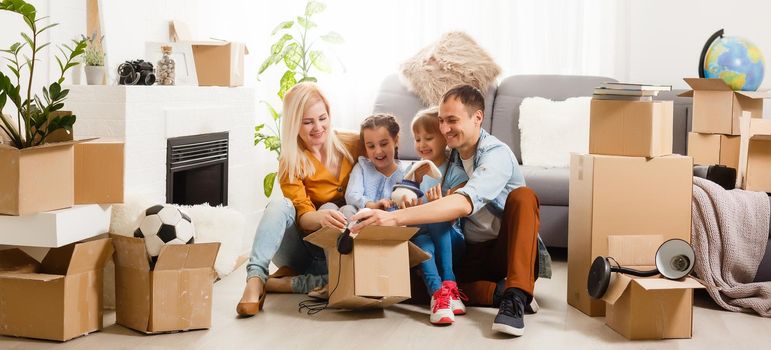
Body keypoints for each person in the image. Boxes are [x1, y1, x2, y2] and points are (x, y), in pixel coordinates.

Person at [352, 84, 540, 337]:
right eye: (441, 121)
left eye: (452, 120)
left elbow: (463, 203)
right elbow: (423, 195)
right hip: (468, 253)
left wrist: (393, 218)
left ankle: (515, 295)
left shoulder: (496, 154)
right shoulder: (449, 157)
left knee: (524, 197)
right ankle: (494, 292)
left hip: (505, 253)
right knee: (402, 285)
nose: (444, 128)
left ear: (477, 118)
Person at [236, 82, 360, 317]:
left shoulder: (353, 143)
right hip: (303, 247)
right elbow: (303, 217)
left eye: (322, 118)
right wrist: (321, 217)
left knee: (347, 216)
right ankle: (255, 279)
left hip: (340, 251)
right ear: (294, 124)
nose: (318, 127)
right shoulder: (291, 160)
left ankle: (290, 282)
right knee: (279, 205)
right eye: (307, 122)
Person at [408, 106, 469, 325]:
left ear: (444, 139)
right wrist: (408, 204)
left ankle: (450, 283)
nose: (422, 144)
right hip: (424, 238)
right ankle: (439, 296)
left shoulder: (455, 173)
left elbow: (458, 212)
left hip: (452, 241)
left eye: (428, 138)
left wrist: (439, 207)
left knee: (437, 217)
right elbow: (402, 205)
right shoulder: (413, 172)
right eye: (417, 139)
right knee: (423, 245)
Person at [344, 113, 411, 212]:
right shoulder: (362, 167)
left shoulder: (407, 172)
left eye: (383, 144)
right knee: (346, 209)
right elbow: (352, 195)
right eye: (371, 146)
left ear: (396, 141)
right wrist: (372, 205)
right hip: (362, 221)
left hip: (392, 223)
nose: (378, 151)